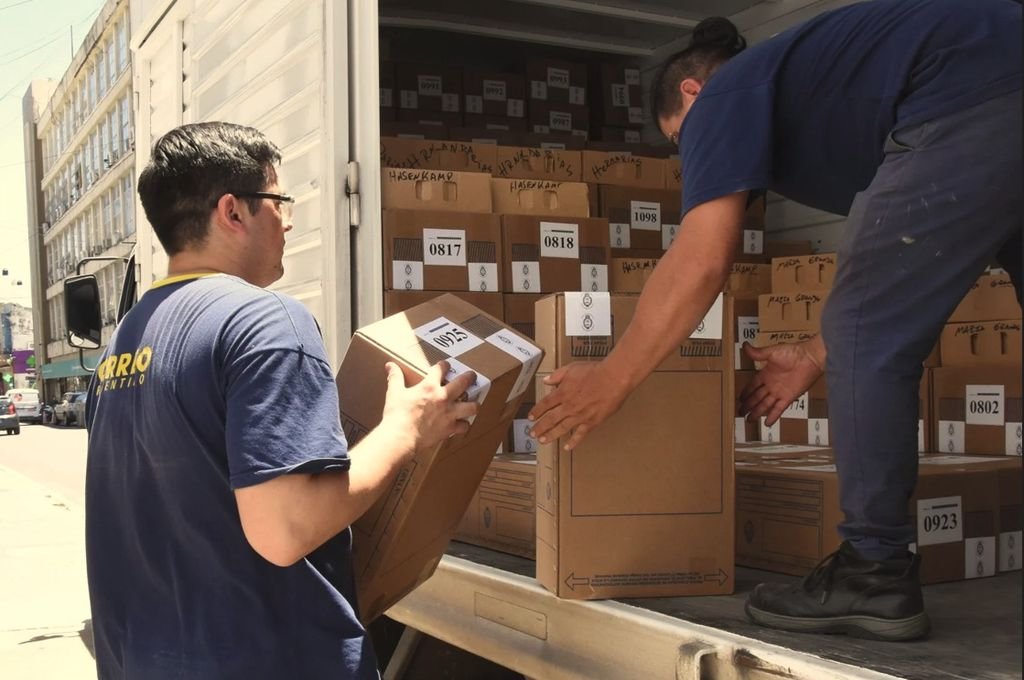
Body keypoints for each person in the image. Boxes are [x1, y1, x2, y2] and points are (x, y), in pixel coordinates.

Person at [529, 0, 1021, 642]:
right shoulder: (817, 94)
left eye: (681, 142)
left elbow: (704, 259)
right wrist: (819, 351)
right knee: (858, 329)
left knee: (865, 338)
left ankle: (872, 573)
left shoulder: (727, 93)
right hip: (996, 88)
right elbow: (919, 272)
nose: (693, 160)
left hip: (979, 94)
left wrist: (613, 376)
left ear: (691, 91)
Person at [84, 122, 478, 678]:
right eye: (279, 199)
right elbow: (284, 530)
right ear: (233, 212)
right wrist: (405, 430)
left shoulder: (126, 340)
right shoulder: (263, 321)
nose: (289, 219)